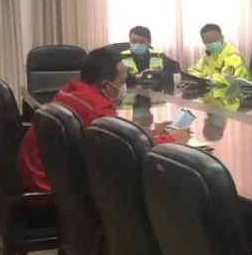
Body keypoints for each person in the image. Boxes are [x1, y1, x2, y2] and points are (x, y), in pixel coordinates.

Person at [17, 48, 189, 192]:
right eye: (122, 82)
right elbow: (127, 154)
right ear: (106, 85)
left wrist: (148, 134)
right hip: (51, 191)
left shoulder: (71, 90)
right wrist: (171, 139)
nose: (123, 87)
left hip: (39, 177)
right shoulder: (98, 109)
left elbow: (113, 140)